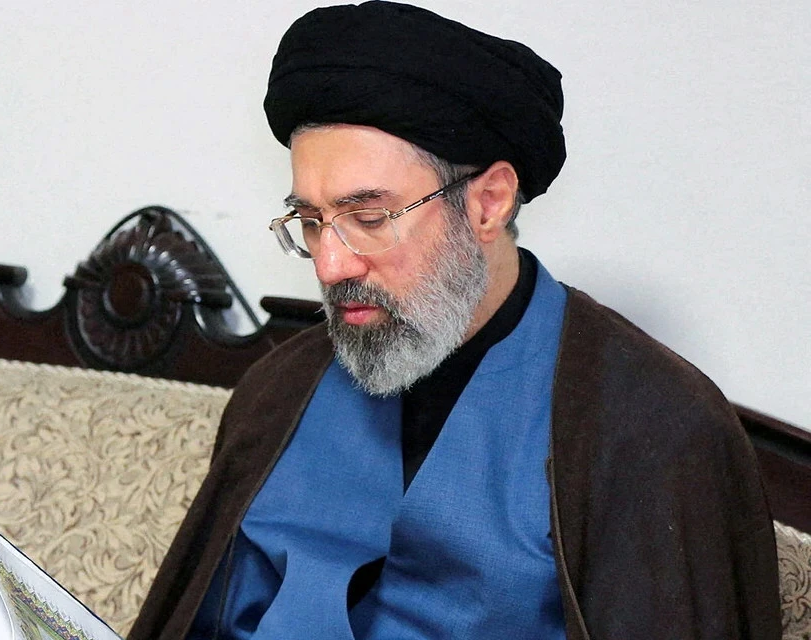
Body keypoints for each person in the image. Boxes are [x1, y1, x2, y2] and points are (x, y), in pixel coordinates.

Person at [128, 2, 781, 639]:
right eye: (311, 221)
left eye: (369, 217)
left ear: (489, 203)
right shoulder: (279, 390)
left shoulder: (652, 425)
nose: (329, 264)